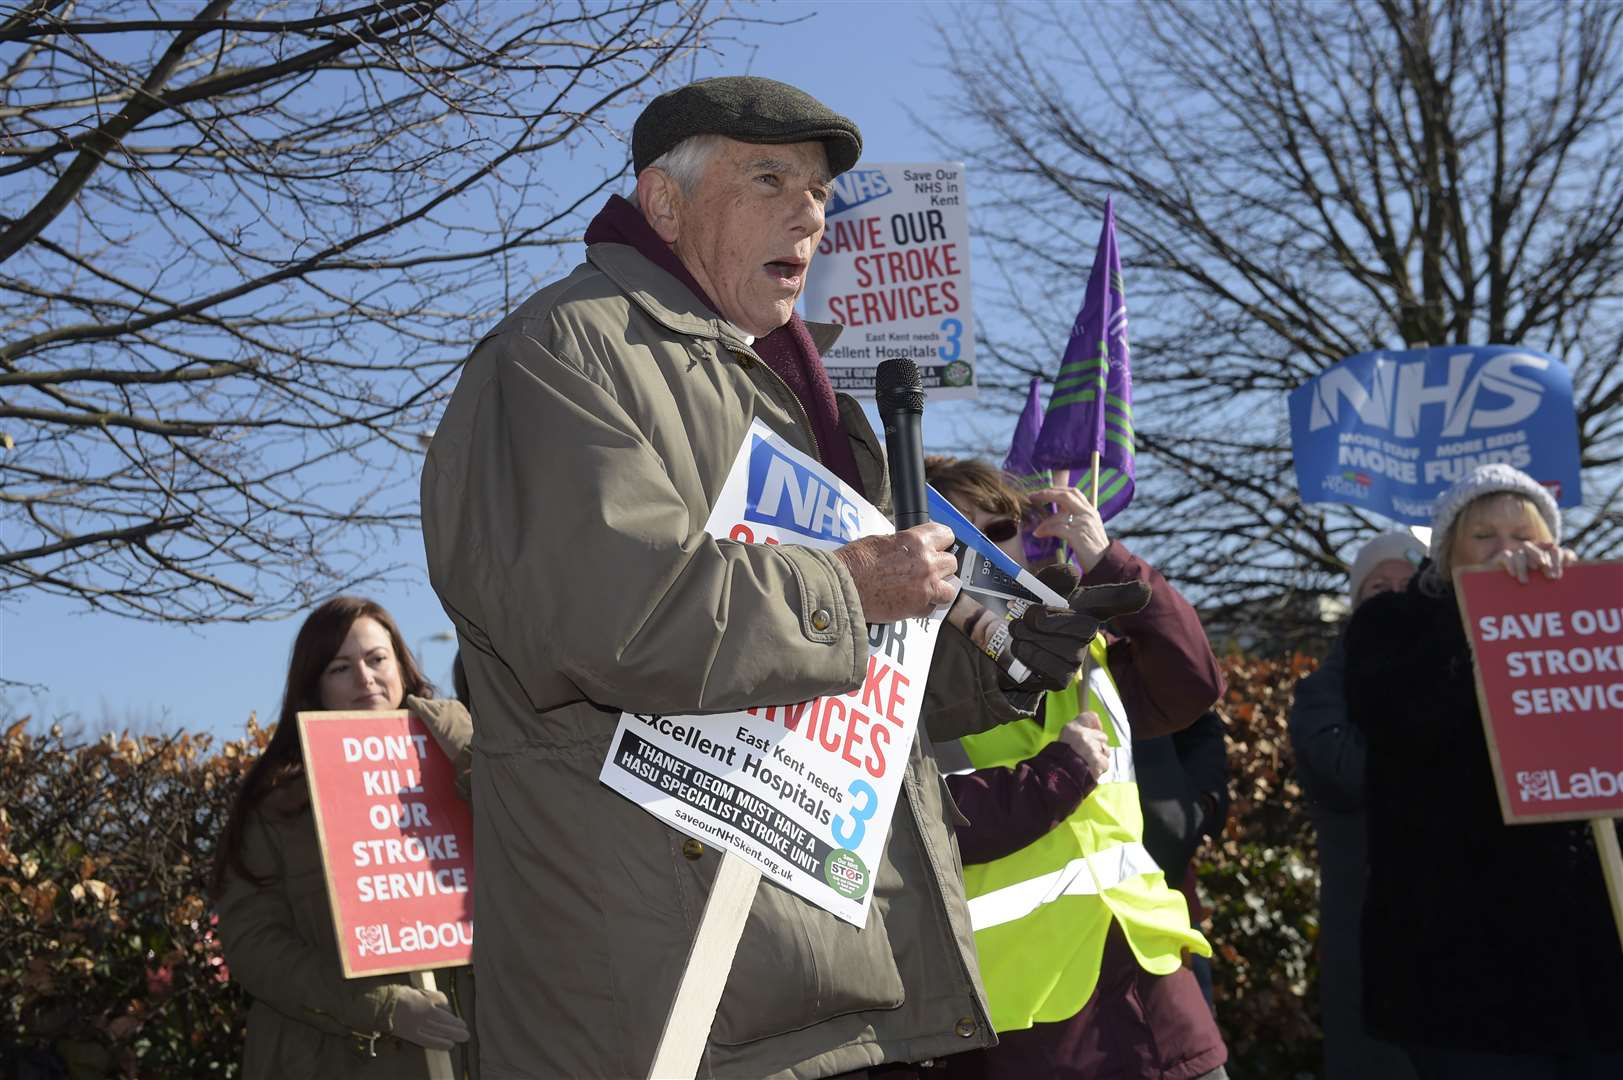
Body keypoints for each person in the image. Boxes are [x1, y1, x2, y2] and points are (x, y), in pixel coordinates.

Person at [420, 77, 1107, 1079]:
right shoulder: (561, 358)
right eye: (771, 179)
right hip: (660, 999)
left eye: (821, 191)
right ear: (663, 202)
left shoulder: (799, 393)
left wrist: (994, 659)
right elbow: (620, 619)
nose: (810, 214)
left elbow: (848, 661)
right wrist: (854, 587)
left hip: (814, 979)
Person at [925, 458, 1230, 1080]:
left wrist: (1105, 556)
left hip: (1151, 985)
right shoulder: (904, 671)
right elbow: (926, 824)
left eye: (1002, 526)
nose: (987, 548)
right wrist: (1056, 776)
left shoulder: (1082, 640)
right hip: (1026, 1018)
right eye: (960, 536)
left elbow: (1192, 684)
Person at [1345, 464, 1623, 1079]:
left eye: (1524, 537)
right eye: (1485, 538)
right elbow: (1402, 722)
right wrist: (1488, 619)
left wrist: (1576, 611)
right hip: (1462, 968)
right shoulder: (1393, 627)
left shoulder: (1585, 615)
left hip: (1587, 967)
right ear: (1447, 552)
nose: (1509, 553)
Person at [212, 596, 476, 1079]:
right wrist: (382, 1007)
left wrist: (464, 747)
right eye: (340, 667)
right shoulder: (279, 801)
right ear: (313, 683)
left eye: (377, 659)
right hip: (331, 1060)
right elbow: (254, 944)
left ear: (401, 663)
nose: (366, 678)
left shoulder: (465, 756)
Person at [1289, 531, 1424, 1080]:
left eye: (1407, 585)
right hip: (1370, 923)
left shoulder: (1467, 673)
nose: (1393, 596)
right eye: (1378, 587)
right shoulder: (1325, 690)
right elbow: (1347, 775)